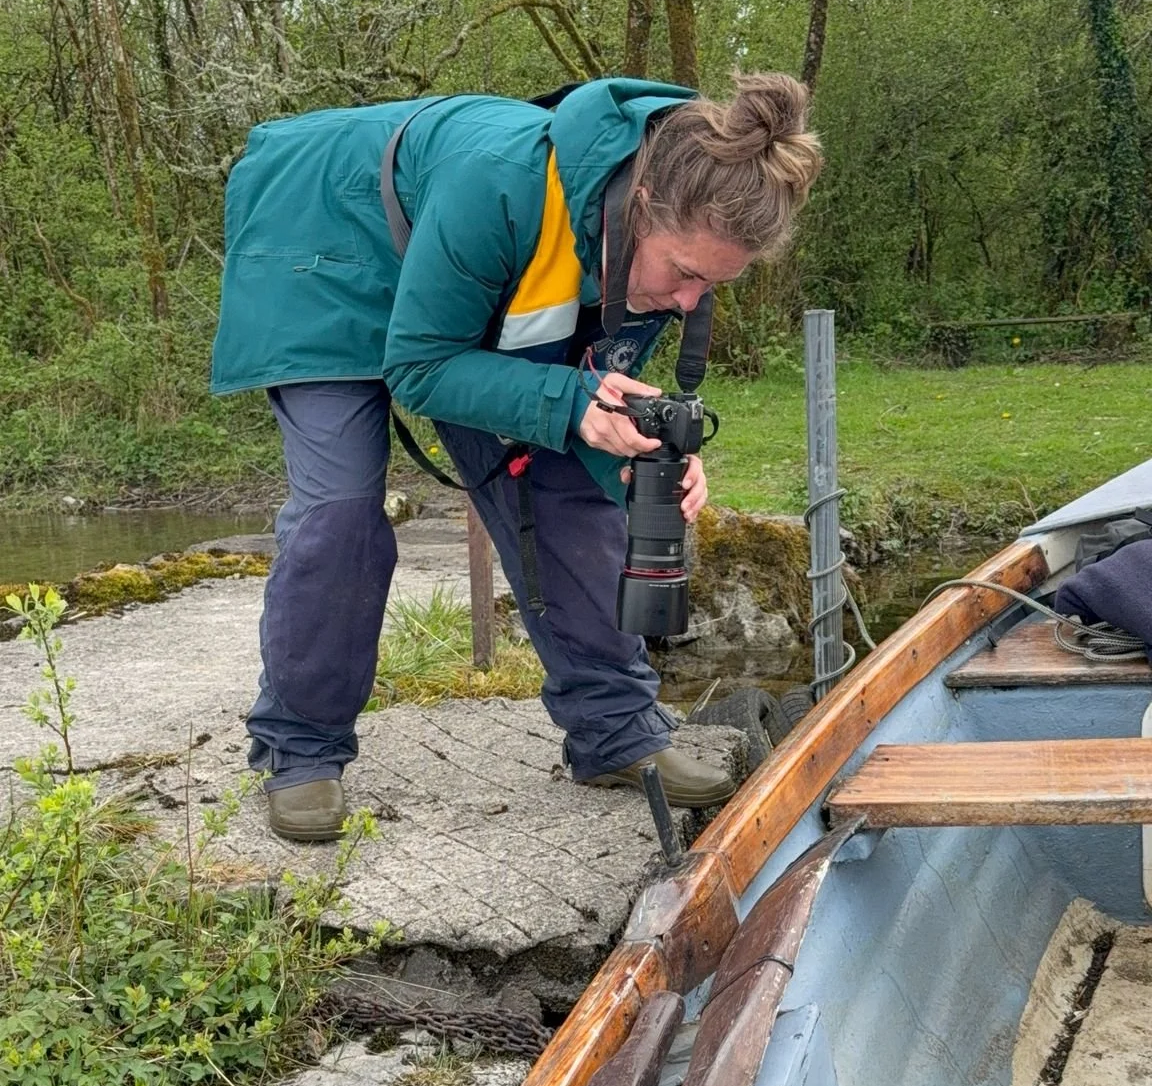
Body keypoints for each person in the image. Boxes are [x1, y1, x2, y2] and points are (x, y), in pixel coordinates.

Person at [210, 73, 822, 842]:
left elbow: (586, 410)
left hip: (455, 262)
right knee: (341, 507)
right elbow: (423, 366)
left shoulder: (653, 255)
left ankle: (615, 732)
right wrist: (572, 406)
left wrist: (635, 445)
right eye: (688, 275)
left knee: (567, 473)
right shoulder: (499, 186)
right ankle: (300, 752)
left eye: (713, 286)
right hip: (322, 246)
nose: (690, 302)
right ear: (639, 208)